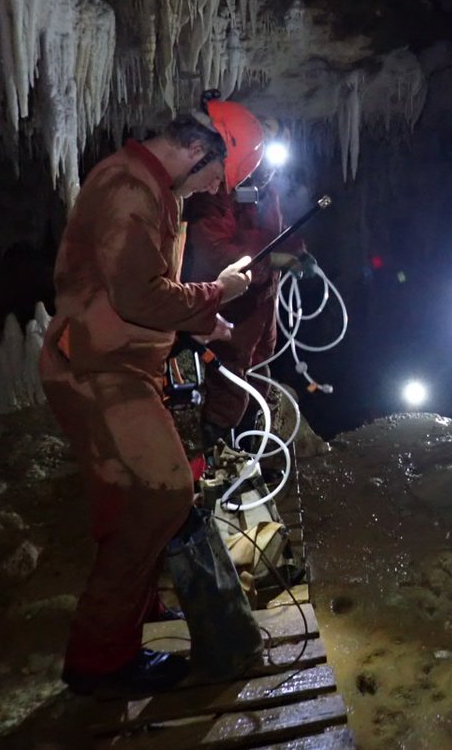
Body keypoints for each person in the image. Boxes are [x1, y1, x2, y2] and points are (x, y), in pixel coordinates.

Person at [39, 91, 266, 697]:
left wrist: (200, 322)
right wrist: (216, 294)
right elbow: (139, 295)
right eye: (215, 176)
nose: (214, 188)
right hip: (98, 371)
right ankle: (101, 661)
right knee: (165, 493)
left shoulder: (152, 190)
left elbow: (139, 290)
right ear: (195, 149)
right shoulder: (130, 191)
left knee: (126, 503)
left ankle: (130, 616)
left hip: (116, 362)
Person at [182, 137, 315, 451]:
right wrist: (273, 261)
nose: (265, 170)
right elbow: (215, 254)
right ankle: (218, 454)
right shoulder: (213, 193)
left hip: (263, 303)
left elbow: (278, 233)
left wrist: (298, 251)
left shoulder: (266, 191)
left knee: (258, 370)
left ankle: (249, 451)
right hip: (231, 303)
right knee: (229, 378)